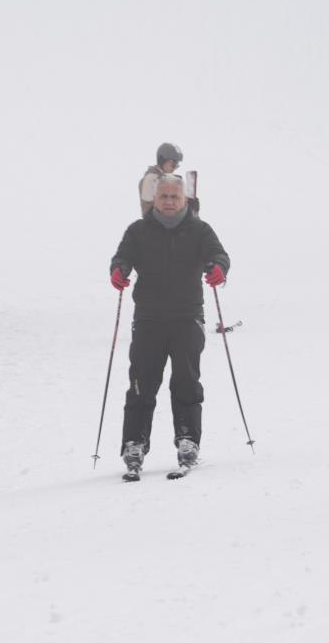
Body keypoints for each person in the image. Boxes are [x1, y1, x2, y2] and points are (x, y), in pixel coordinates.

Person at [110, 174, 229, 480]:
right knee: (141, 383)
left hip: (187, 317)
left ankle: (188, 441)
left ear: (184, 200)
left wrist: (217, 269)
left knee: (186, 381)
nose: (169, 202)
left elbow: (219, 255)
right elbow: (122, 257)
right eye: (163, 196)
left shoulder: (199, 230)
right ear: (155, 199)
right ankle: (134, 444)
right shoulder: (138, 231)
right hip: (148, 318)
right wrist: (119, 270)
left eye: (174, 197)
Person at [139, 142, 199, 216]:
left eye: (177, 165)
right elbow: (155, 208)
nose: (174, 168)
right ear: (162, 160)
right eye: (173, 164)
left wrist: (188, 204)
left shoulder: (161, 178)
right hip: (157, 225)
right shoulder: (152, 178)